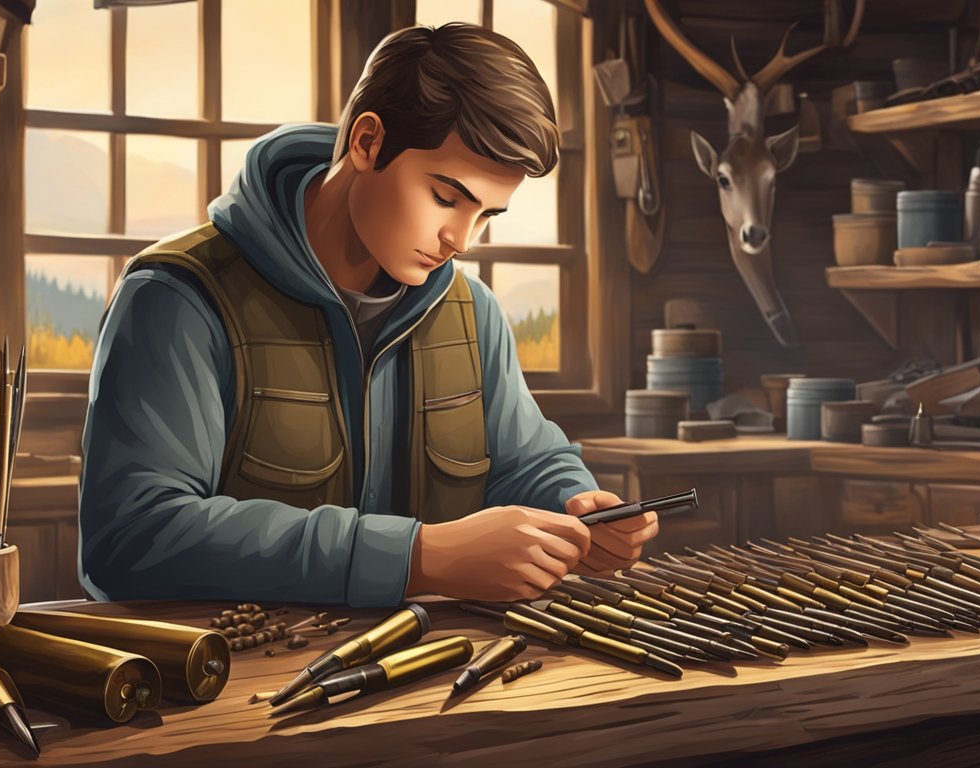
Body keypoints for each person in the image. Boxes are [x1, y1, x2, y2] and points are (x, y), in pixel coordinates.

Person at [78, 22, 658, 607]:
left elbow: (524, 462)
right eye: (447, 197)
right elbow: (131, 536)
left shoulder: (470, 312)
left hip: (434, 670)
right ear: (368, 142)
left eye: (486, 215)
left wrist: (576, 508)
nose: (461, 239)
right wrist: (419, 558)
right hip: (222, 677)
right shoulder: (178, 296)